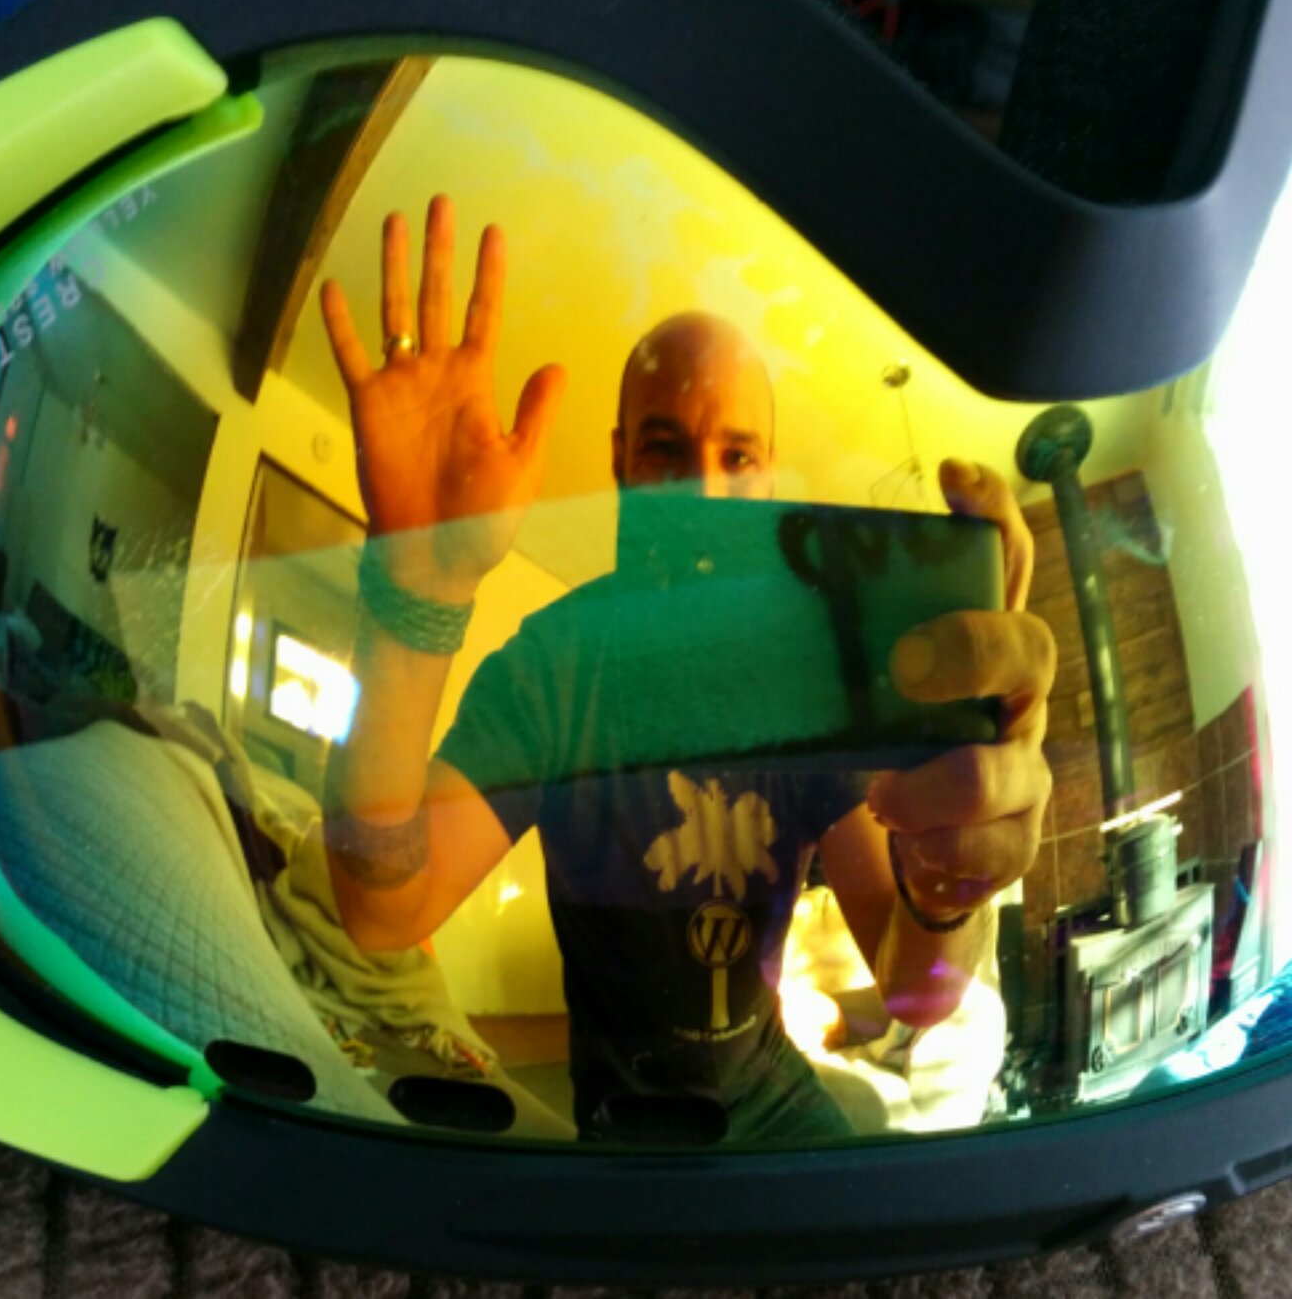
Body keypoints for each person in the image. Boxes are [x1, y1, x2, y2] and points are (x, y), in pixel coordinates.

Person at [305, 195, 1056, 1142]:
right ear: (621, 463)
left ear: (768, 478)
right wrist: (416, 591)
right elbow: (382, 910)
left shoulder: (806, 682)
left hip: (777, 1091)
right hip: (632, 1120)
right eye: (666, 451)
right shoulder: (553, 669)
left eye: (736, 456)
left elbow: (914, 990)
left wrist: (950, 886)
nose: (702, 488)